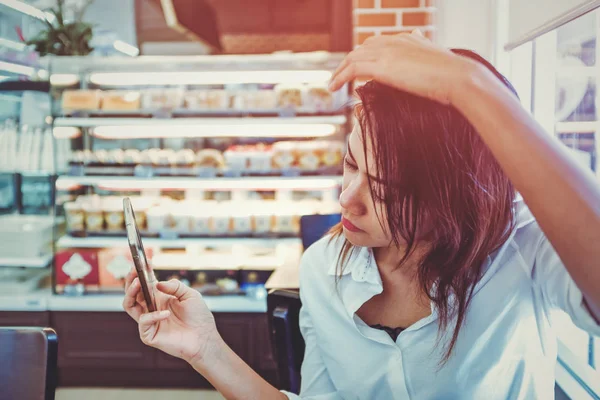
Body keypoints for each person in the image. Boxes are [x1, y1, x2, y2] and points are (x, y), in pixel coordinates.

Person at [123, 30, 600, 399]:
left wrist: (468, 84)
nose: (346, 200)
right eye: (350, 163)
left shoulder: (520, 247)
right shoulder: (321, 269)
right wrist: (206, 349)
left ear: (454, 196)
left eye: (386, 191)